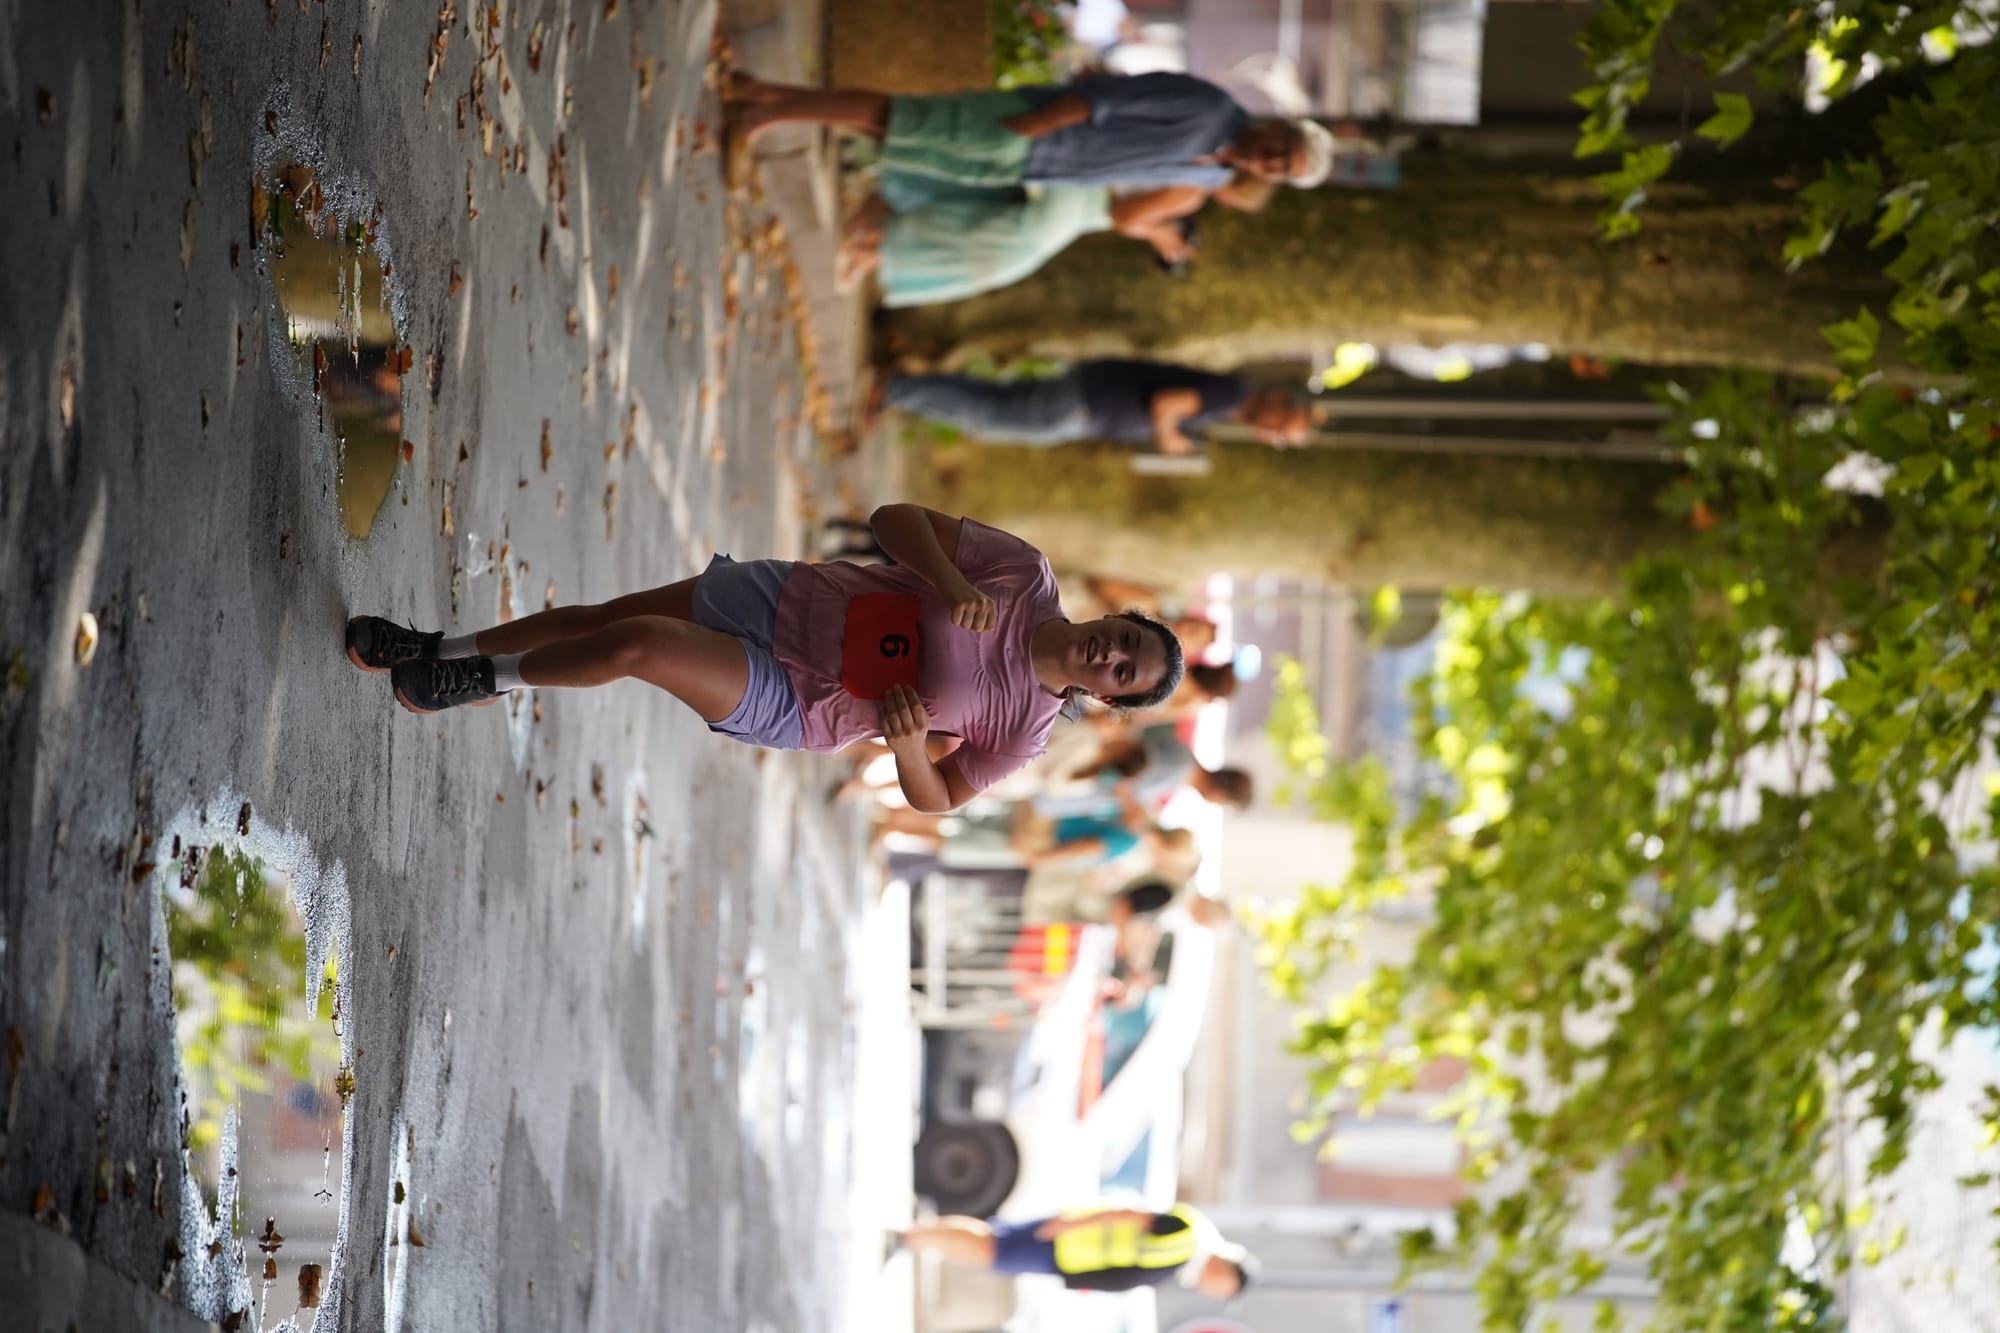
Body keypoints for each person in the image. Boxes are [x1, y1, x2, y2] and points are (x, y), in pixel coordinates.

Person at [343, 505, 1184, 814]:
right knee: (606, 618)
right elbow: (893, 519)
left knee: (639, 648)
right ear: (1118, 615)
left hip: (802, 697)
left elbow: (941, 800)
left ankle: (478, 679)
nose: (1112, 653)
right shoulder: (1023, 574)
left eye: (1123, 672)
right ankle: (436, 648)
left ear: (1107, 697)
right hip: (787, 599)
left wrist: (902, 749)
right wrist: (947, 575)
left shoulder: (1024, 729)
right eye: (1128, 639)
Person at [876, 358, 1312, 455]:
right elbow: (1166, 404)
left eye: (1280, 436)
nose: (1272, 431)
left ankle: (900, 386)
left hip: (1088, 398)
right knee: (986, 414)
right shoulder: (1231, 395)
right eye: (1282, 422)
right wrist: (1170, 439)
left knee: (988, 400)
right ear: (1277, 402)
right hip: (1087, 404)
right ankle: (894, 390)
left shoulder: (1228, 405)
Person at [890, 1203, 1256, 1299]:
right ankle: (915, 1238)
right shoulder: (1189, 1238)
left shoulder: (1183, 1265)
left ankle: (919, 1236)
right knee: (992, 1250)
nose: (1212, 1291)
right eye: (1222, 1288)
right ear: (1224, 1271)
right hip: (1065, 1244)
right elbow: (1130, 1216)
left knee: (992, 1242)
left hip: (1068, 1257)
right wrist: (1068, 1225)